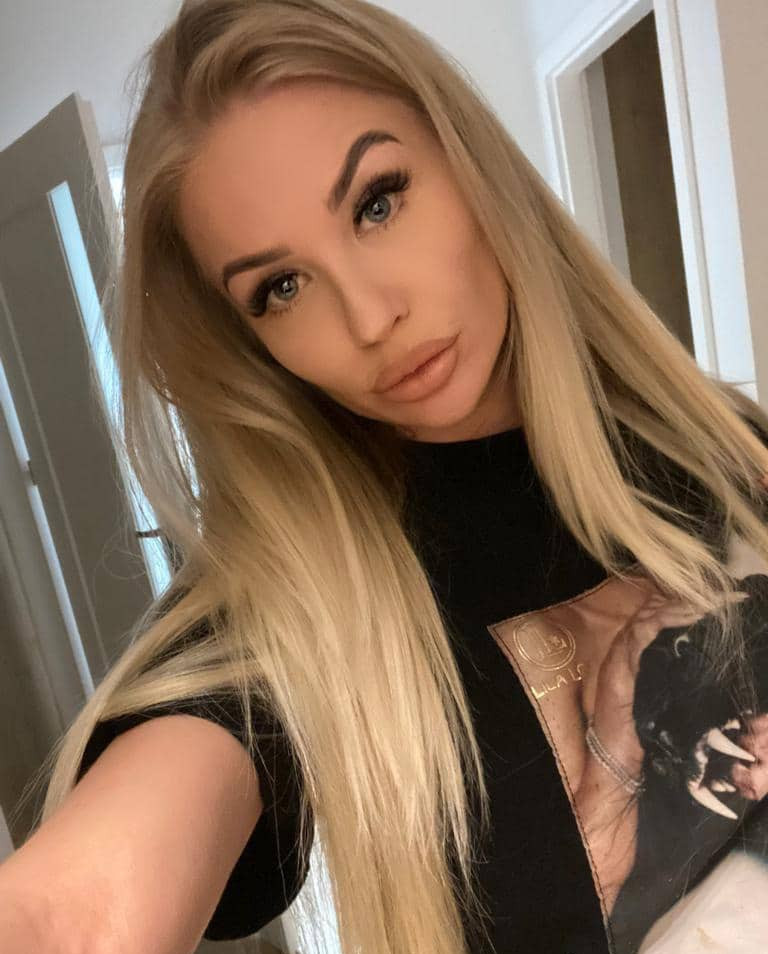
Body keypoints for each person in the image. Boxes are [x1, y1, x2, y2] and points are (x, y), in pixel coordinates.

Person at [2, 0, 768, 952]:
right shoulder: (292, 614)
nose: (369, 318)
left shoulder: (721, 440)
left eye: (377, 203)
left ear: (466, 156)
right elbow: (73, 916)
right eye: (281, 288)